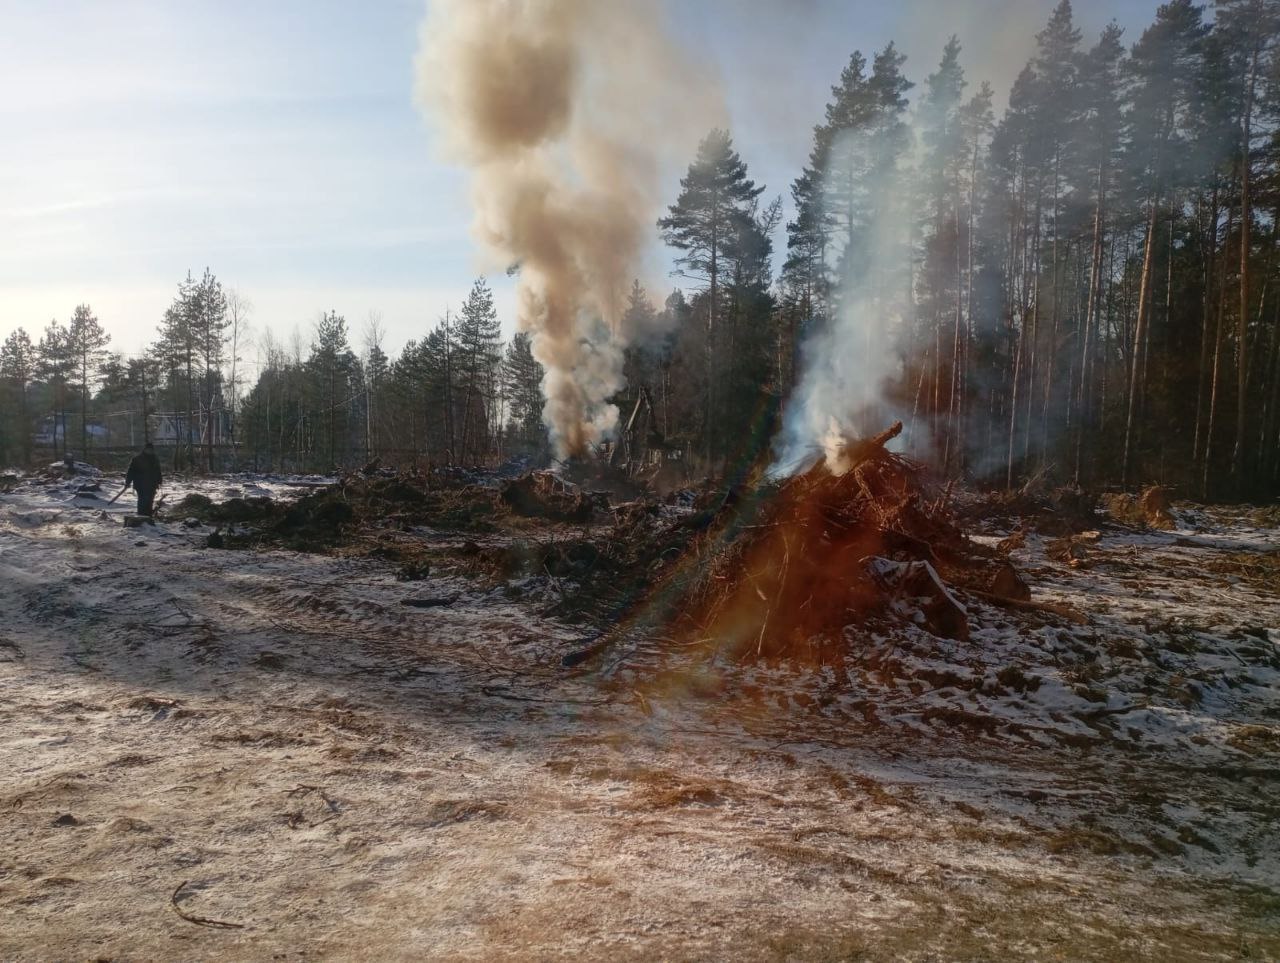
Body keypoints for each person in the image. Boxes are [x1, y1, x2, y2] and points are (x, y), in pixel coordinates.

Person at [124, 442, 162, 516]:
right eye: (148, 449)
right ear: (144, 449)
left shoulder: (155, 459)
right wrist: (127, 482)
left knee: (150, 500)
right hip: (140, 484)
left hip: (152, 484)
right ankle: (141, 516)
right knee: (142, 500)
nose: (150, 451)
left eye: (151, 450)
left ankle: (148, 515)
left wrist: (159, 481)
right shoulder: (137, 459)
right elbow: (131, 472)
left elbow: (158, 471)